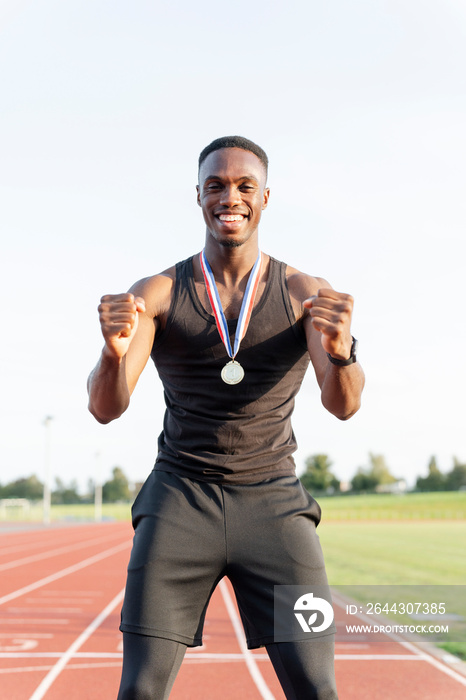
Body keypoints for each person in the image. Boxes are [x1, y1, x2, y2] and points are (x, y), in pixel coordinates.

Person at [87, 136, 365, 700]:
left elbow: (344, 405)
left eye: (244, 186)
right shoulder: (158, 293)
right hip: (178, 505)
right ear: (197, 196)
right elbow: (105, 407)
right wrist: (112, 355)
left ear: (265, 198)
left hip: (275, 511)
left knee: (317, 688)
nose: (229, 197)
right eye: (215, 185)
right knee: (140, 690)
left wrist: (341, 352)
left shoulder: (305, 293)